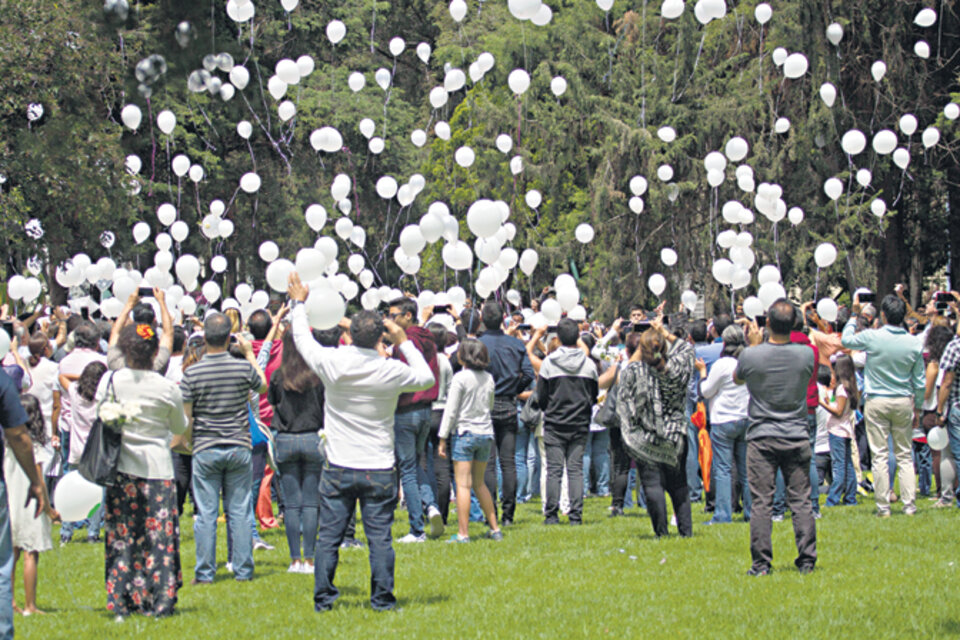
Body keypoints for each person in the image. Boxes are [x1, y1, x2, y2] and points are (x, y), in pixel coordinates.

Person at [287, 274, 434, 613]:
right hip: (378, 466)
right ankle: (382, 600)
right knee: (379, 538)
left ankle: (324, 599)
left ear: (349, 335)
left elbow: (302, 339)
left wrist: (298, 304)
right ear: (381, 338)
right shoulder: (389, 369)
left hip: (339, 465)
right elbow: (425, 377)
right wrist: (403, 340)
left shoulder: (333, 362)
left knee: (330, 537)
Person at [99, 323, 187, 619]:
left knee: (122, 536)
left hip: (122, 467)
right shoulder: (166, 387)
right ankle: (160, 600)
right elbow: (179, 427)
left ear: (126, 349)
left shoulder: (112, 381)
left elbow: (102, 413)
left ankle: (122, 600)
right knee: (158, 540)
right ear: (154, 353)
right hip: (158, 469)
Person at [180, 313, 267, 584]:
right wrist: (249, 354)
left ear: (204, 338)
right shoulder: (242, 369)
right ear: (230, 336)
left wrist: (188, 441)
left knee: (205, 513)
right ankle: (243, 569)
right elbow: (262, 385)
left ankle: (205, 572)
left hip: (206, 446)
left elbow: (186, 417)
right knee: (239, 510)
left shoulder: (191, 373)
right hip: (239, 445)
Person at [735, 299, 816, 576]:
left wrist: (754, 346)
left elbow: (738, 378)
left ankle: (760, 564)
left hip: (762, 435)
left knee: (761, 502)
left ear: (767, 323)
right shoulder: (806, 355)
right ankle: (806, 559)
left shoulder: (750, 355)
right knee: (801, 500)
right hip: (796, 433)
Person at [842, 294, 924, 517]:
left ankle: (883, 506)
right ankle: (909, 505)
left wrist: (854, 314)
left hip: (877, 399)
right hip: (903, 399)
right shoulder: (914, 342)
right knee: (904, 454)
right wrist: (917, 408)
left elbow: (847, 340)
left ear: (884, 316)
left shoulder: (873, 337)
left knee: (879, 455)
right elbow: (919, 381)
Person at [616, 316, 695, 538]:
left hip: (647, 436)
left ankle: (661, 532)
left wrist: (643, 346)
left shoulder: (635, 372)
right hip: (675, 435)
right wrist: (664, 333)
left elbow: (627, 375)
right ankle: (685, 531)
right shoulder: (677, 369)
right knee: (679, 486)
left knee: (652, 485)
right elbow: (687, 350)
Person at [268, 328, 336, 574]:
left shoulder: (278, 376)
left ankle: (294, 559)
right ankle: (309, 559)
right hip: (311, 439)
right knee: (311, 503)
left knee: (291, 505)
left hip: (286, 440)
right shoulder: (318, 376)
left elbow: (272, 401)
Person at [385, 297, 442, 542]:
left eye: (394, 315)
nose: (390, 321)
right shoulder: (428, 337)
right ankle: (431, 506)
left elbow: (402, 373)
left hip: (406, 410)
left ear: (408, 316)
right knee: (418, 465)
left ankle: (416, 529)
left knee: (407, 469)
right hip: (426, 409)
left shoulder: (407, 342)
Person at [436, 339, 501, 542]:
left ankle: (463, 533)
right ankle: (495, 528)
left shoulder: (460, 378)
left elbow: (451, 409)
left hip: (465, 433)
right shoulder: (488, 378)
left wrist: (442, 437)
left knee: (463, 485)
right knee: (479, 483)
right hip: (485, 433)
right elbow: (489, 405)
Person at [535, 318, 598, 525]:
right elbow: (593, 394)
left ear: (558, 338)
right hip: (579, 422)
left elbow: (542, 395)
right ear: (578, 337)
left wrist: (550, 410)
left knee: (554, 470)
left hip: (554, 421)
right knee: (575, 469)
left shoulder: (549, 363)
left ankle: (551, 514)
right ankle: (575, 515)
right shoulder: (588, 365)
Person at [477, 301, 535, 526]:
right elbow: (528, 374)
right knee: (508, 462)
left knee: (489, 463)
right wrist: (514, 390)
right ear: (503, 320)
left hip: (487, 405)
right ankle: (508, 514)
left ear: (483, 319)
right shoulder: (515, 344)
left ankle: (490, 511)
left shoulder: (479, 344)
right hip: (509, 406)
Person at [6, 394, 57, 616]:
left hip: (9, 502)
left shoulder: (9, 444)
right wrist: (48, 509)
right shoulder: (34, 445)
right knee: (30, 553)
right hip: (31, 503)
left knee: (11, 555)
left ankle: (9, 602)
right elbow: (39, 478)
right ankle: (30, 605)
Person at [696, 324, 751, 525]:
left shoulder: (723, 364)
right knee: (746, 470)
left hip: (723, 419)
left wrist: (702, 373)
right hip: (745, 417)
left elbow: (707, 390)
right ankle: (751, 512)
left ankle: (722, 513)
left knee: (723, 469)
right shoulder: (746, 361)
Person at [60, 360, 107, 545]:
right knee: (96, 494)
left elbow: (61, 376)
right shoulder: (102, 398)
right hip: (95, 451)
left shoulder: (74, 393)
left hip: (76, 450)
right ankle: (93, 532)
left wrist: (83, 378)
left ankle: (66, 532)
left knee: (71, 493)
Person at [820, 355, 859, 507]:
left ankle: (833, 499)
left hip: (838, 431)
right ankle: (850, 498)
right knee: (848, 465)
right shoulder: (850, 386)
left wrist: (822, 404)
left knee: (839, 466)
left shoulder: (842, 388)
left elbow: (838, 411)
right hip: (845, 430)